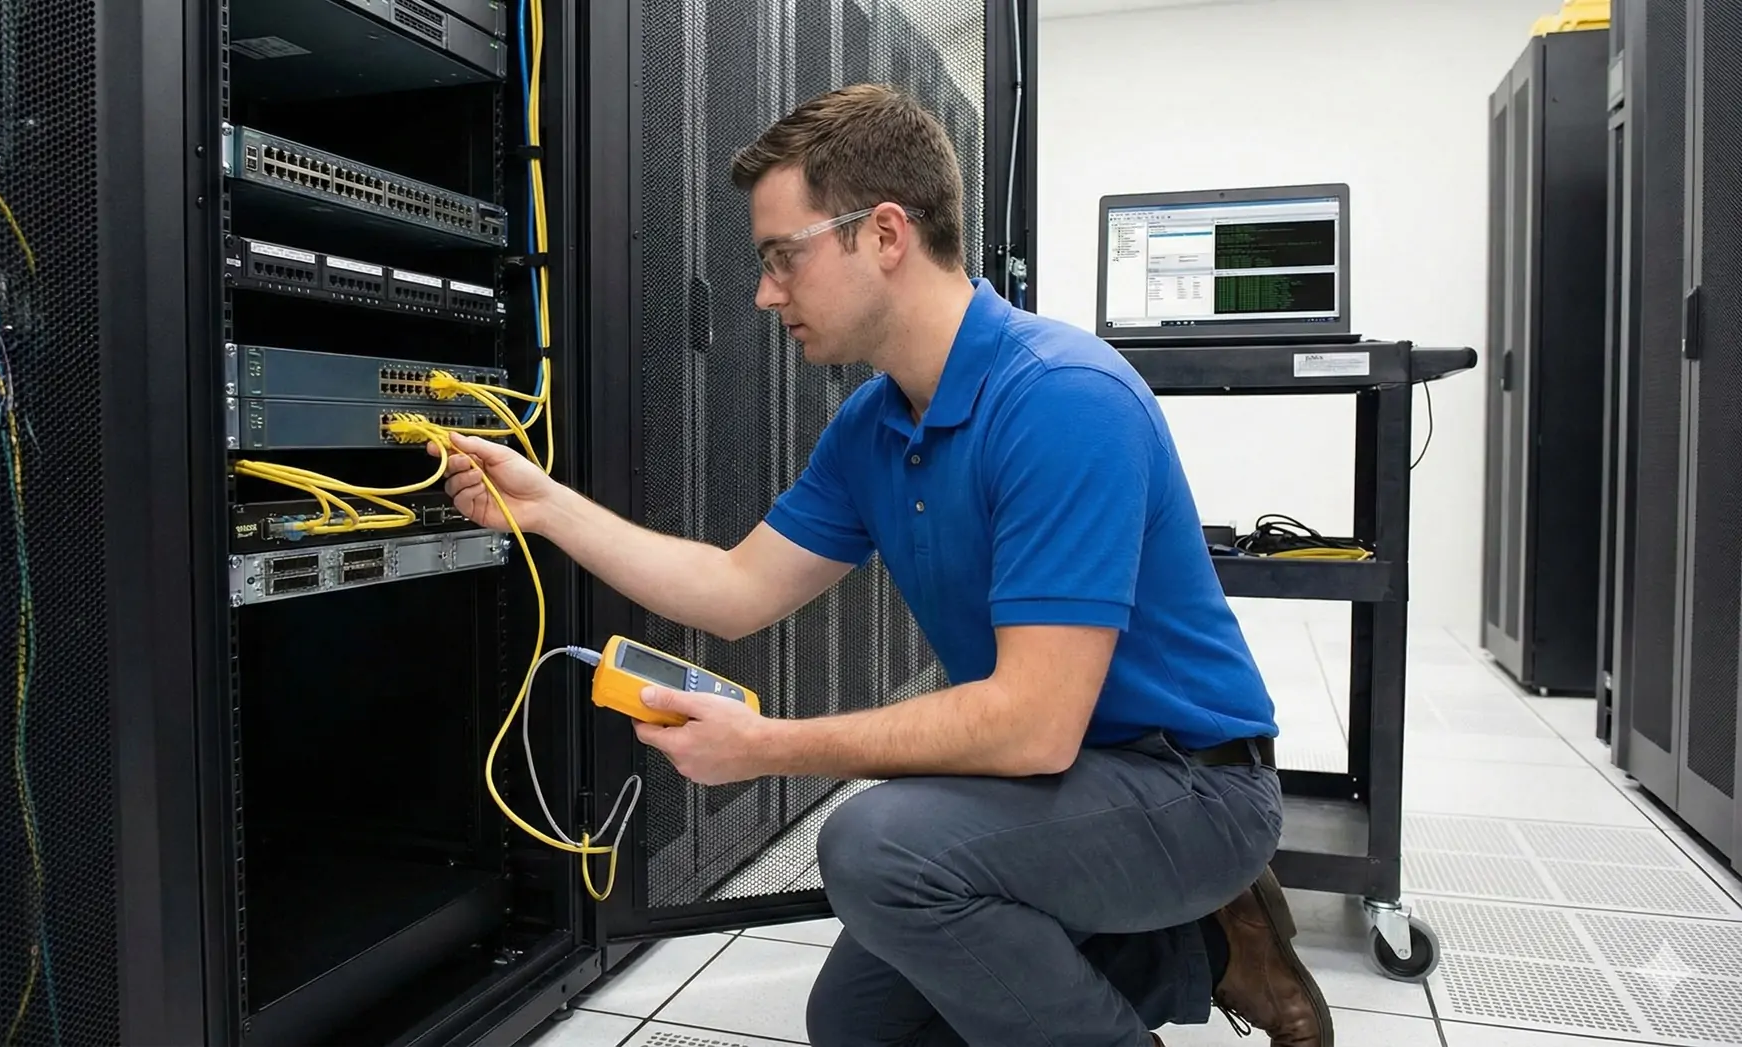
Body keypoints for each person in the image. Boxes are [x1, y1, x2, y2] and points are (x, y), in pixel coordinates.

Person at [432, 83, 1333, 1047]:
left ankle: (1195, 916)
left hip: (1191, 789)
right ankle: (1197, 950)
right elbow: (736, 592)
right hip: (1062, 783)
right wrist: (544, 505)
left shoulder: (1062, 398)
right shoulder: (873, 424)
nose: (764, 291)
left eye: (783, 256)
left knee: (876, 846)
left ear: (886, 234)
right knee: (864, 1025)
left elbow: (1031, 724)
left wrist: (769, 744)